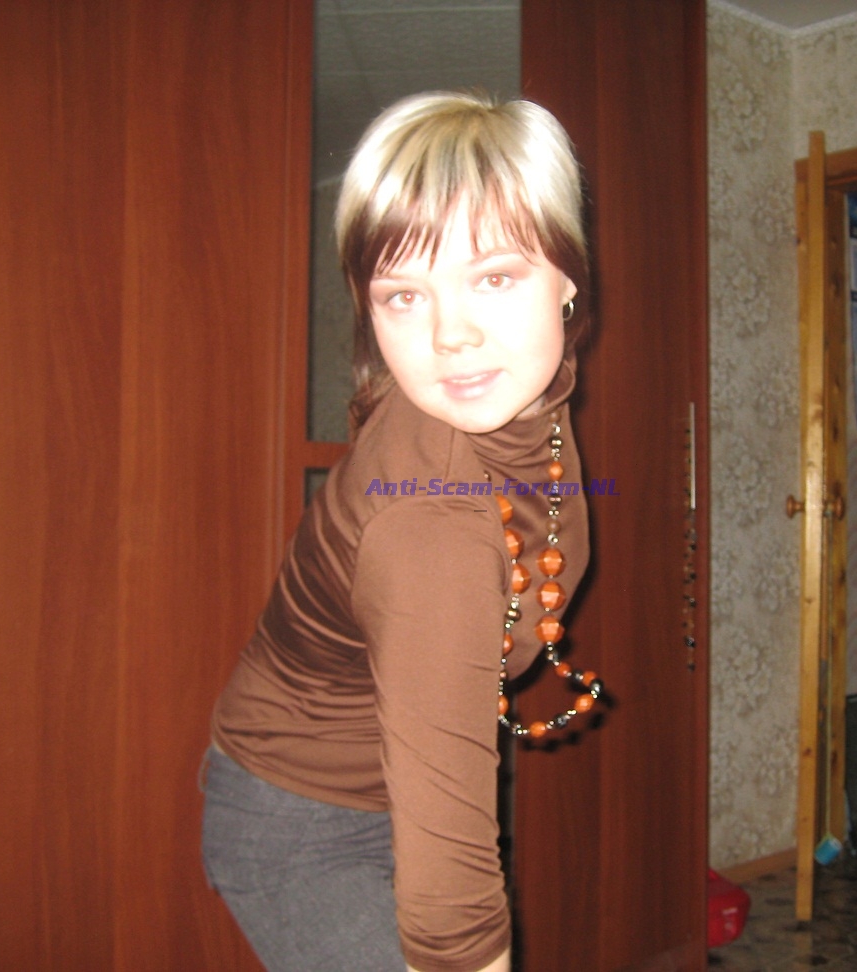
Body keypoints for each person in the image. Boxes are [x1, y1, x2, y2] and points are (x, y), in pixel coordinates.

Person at [202, 90, 600, 972]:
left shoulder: (524, 399)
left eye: (493, 278)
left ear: (567, 277)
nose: (451, 336)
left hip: (392, 782)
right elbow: (452, 907)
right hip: (301, 826)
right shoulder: (433, 530)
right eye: (404, 296)